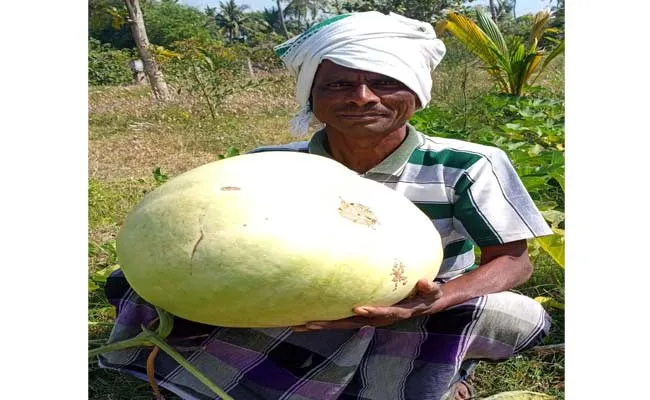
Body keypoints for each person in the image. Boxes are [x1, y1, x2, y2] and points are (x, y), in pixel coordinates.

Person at [98, 11, 553, 400]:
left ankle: (422, 366)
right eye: (338, 84)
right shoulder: (273, 163)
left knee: (509, 312)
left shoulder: (469, 164)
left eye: (384, 82)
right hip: (294, 307)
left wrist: (432, 303)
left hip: (417, 307)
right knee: (137, 282)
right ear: (311, 98)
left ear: (415, 92)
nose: (361, 97)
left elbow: (513, 262)